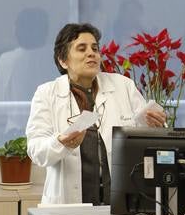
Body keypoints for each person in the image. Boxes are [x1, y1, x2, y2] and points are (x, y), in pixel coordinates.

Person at [26, 22, 166, 205]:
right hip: (68, 203)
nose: (91, 53)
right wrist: (59, 142)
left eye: (95, 48)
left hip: (118, 200)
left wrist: (154, 125)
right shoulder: (46, 94)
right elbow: (36, 149)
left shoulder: (123, 86)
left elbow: (142, 139)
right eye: (81, 49)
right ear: (63, 60)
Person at [0, 8, 53, 136]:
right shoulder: (55, 60)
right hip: (50, 132)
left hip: (15, 133)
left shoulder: (7, 60)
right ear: (45, 32)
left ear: (17, 31)